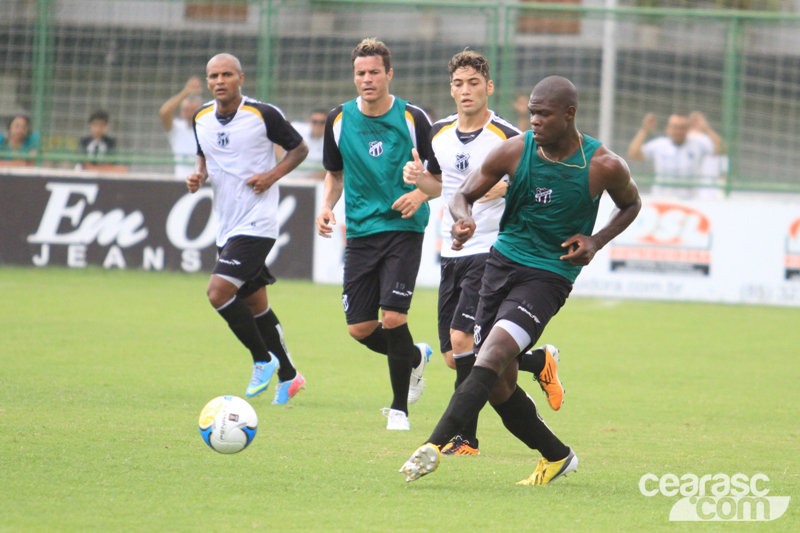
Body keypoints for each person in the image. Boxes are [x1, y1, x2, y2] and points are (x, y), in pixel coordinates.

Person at [400, 76, 641, 485]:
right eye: (531, 113)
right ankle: (557, 456)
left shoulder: (603, 165)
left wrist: (596, 240)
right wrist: (463, 221)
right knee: (498, 385)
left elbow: (632, 203)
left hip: (549, 275)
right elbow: (462, 194)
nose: (535, 121)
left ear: (570, 114)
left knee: (489, 357)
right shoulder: (514, 150)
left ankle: (432, 445)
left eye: (544, 114)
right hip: (500, 264)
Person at [402, 50, 564, 457]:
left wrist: (505, 187)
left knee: (463, 339)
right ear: (451, 88)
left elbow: (540, 180)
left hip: (492, 252)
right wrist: (419, 182)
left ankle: (465, 439)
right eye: (458, 83)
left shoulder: (508, 135)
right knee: (456, 357)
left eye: (474, 82)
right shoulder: (438, 132)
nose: (465, 90)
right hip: (451, 250)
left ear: (489, 87)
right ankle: (536, 361)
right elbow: (445, 184)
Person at [315, 38, 433, 431]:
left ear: (389, 74)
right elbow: (335, 174)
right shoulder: (339, 120)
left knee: (394, 317)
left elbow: (439, 176)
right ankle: (414, 358)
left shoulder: (414, 118)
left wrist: (419, 192)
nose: (367, 79)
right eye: (360, 73)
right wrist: (328, 205)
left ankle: (399, 409)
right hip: (362, 233)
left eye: (374, 72)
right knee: (360, 328)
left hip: (403, 228)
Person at [186, 53, 309, 404]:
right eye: (213, 76)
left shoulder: (263, 114)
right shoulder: (202, 117)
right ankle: (289, 376)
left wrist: (271, 176)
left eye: (227, 74)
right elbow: (203, 153)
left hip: (257, 222)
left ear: (241, 78)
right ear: (208, 81)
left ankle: (262, 359)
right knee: (255, 305)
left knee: (218, 293)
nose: (219, 81)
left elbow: (299, 149)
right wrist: (199, 174)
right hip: (226, 223)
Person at [627, 112, 716, 200]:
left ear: (688, 129)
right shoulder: (660, 144)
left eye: (682, 128)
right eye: (675, 127)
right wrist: (645, 130)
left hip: (690, 200)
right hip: (662, 199)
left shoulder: (698, 144)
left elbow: (722, 149)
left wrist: (706, 128)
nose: (679, 131)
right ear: (667, 128)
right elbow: (633, 154)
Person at [159, 76, 205, 178]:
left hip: (204, 181)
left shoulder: (208, 129)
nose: (189, 113)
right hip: (181, 180)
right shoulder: (177, 128)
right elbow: (164, 112)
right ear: (181, 112)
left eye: (193, 109)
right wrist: (186, 92)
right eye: (186, 110)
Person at [688, 111, 727, 200]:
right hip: (691, 188)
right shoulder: (686, 138)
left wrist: (706, 129)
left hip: (708, 191)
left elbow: (723, 149)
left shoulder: (707, 140)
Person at [289, 109, 327, 178]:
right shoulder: (297, 129)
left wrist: (312, 179)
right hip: (288, 178)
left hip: (313, 182)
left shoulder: (333, 140)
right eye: (315, 122)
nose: (318, 125)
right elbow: (277, 139)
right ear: (309, 121)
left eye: (322, 122)